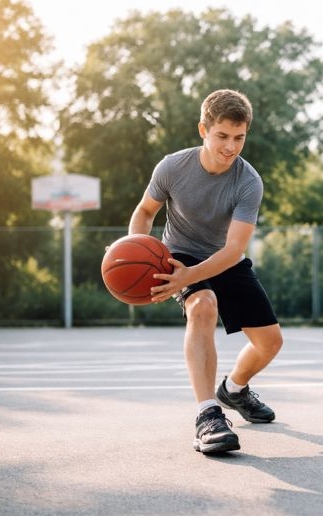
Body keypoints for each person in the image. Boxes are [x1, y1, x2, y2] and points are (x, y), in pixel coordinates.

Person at [128, 89, 283, 454]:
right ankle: (207, 416)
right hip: (179, 253)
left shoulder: (248, 182)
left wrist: (192, 275)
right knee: (203, 307)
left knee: (271, 343)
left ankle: (233, 390)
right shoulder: (172, 167)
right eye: (222, 136)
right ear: (203, 130)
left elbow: (234, 250)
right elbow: (145, 212)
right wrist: (136, 246)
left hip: (223, 258)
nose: (231, 146)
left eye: (239, 137)